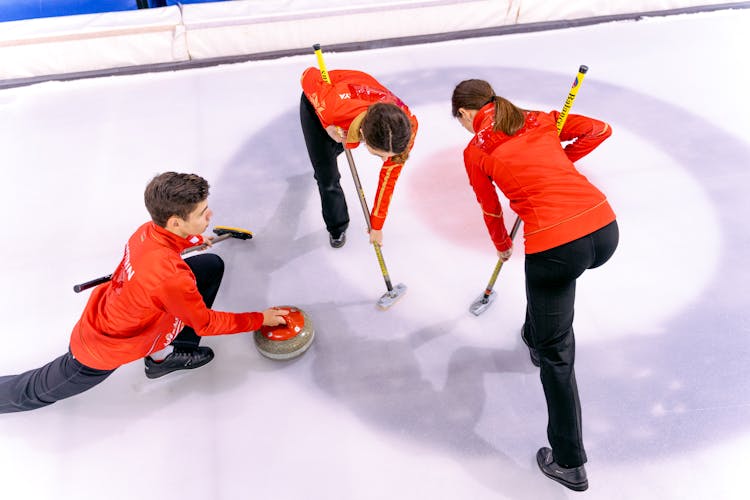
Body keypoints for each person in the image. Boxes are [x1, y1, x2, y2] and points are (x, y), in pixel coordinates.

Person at [0, 172, 288, 414]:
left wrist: (197, 239)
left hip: (139, 305)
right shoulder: (171, 278)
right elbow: (207, 323)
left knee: (209, 265)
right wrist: (259, 318)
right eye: (202, 212)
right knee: (31, 390)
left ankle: (177, 353)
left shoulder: (147, 231)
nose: (210, 214)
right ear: (175, 222)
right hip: (102, 346)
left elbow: (168, 246)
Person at [452, 79, 619, 492]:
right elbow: (599, 129)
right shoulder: (540, 119)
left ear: (466, 114)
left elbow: (489, 206)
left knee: (557, 357)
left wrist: (502, 244)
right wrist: (563, 160)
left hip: (558, 247)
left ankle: (568, 462)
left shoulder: (476, 150)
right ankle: (533, 333)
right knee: (548, 302)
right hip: (604, 227)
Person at [299, 67, 418, 248]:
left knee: (338, 148)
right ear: (363, 133)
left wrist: (377, 225)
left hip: (354, 99)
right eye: (379, 155)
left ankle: (336, 146)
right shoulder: (331, 109)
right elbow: (308, 74)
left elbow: (389, 177)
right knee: (326, 176)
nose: (384, 160)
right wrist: (326, 124)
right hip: (323, 103)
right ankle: (337, 226)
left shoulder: (406, 126)